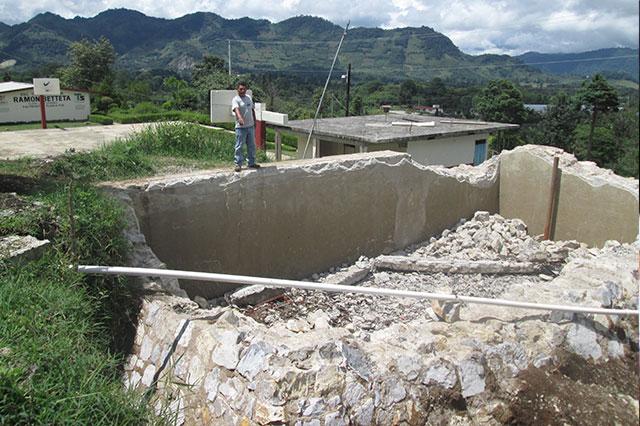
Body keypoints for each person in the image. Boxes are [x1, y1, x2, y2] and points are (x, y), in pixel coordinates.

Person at [231, 82, 260, 172]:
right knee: (239, 146)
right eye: (240, 89)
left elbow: (252, 110)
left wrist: (255, 121)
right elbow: (236, 110)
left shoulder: (249, 98)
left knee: (251, 146)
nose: (242, 91)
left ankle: (251, 162)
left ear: (246, 89)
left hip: (250, 126)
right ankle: (238, 164)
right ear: (237, 90)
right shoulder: (236, 99)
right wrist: (240, 118)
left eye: (244, 89)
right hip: (241, 127)